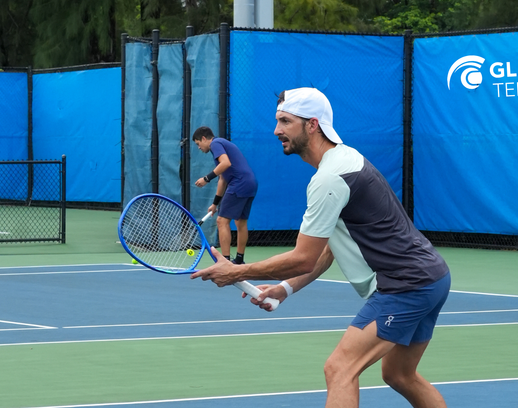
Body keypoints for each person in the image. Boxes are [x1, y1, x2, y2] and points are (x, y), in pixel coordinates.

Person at [192, 88, 450, 408]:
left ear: (312, 125)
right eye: (277, 121)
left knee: (339, 368)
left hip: (405, 285)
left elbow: (303, 258)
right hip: (432, 278)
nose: (276, 131)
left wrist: (236, 272)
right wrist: (285, 289)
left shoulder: (330, 177)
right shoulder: (344, 160)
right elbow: (328, 250)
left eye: (285, 121)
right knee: (399, 374)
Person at [193, 126, 258, 265]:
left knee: (222, 221)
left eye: (198, 144)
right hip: (250, 183)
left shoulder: (215, 144)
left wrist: (206, 178)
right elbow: (223, 179)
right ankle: (239, 260)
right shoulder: (222, 144)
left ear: (204, 139)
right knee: (241, 222)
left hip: (239, 183)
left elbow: (226, 163)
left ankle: (225, 262)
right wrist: (215, 204)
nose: (199, 148)